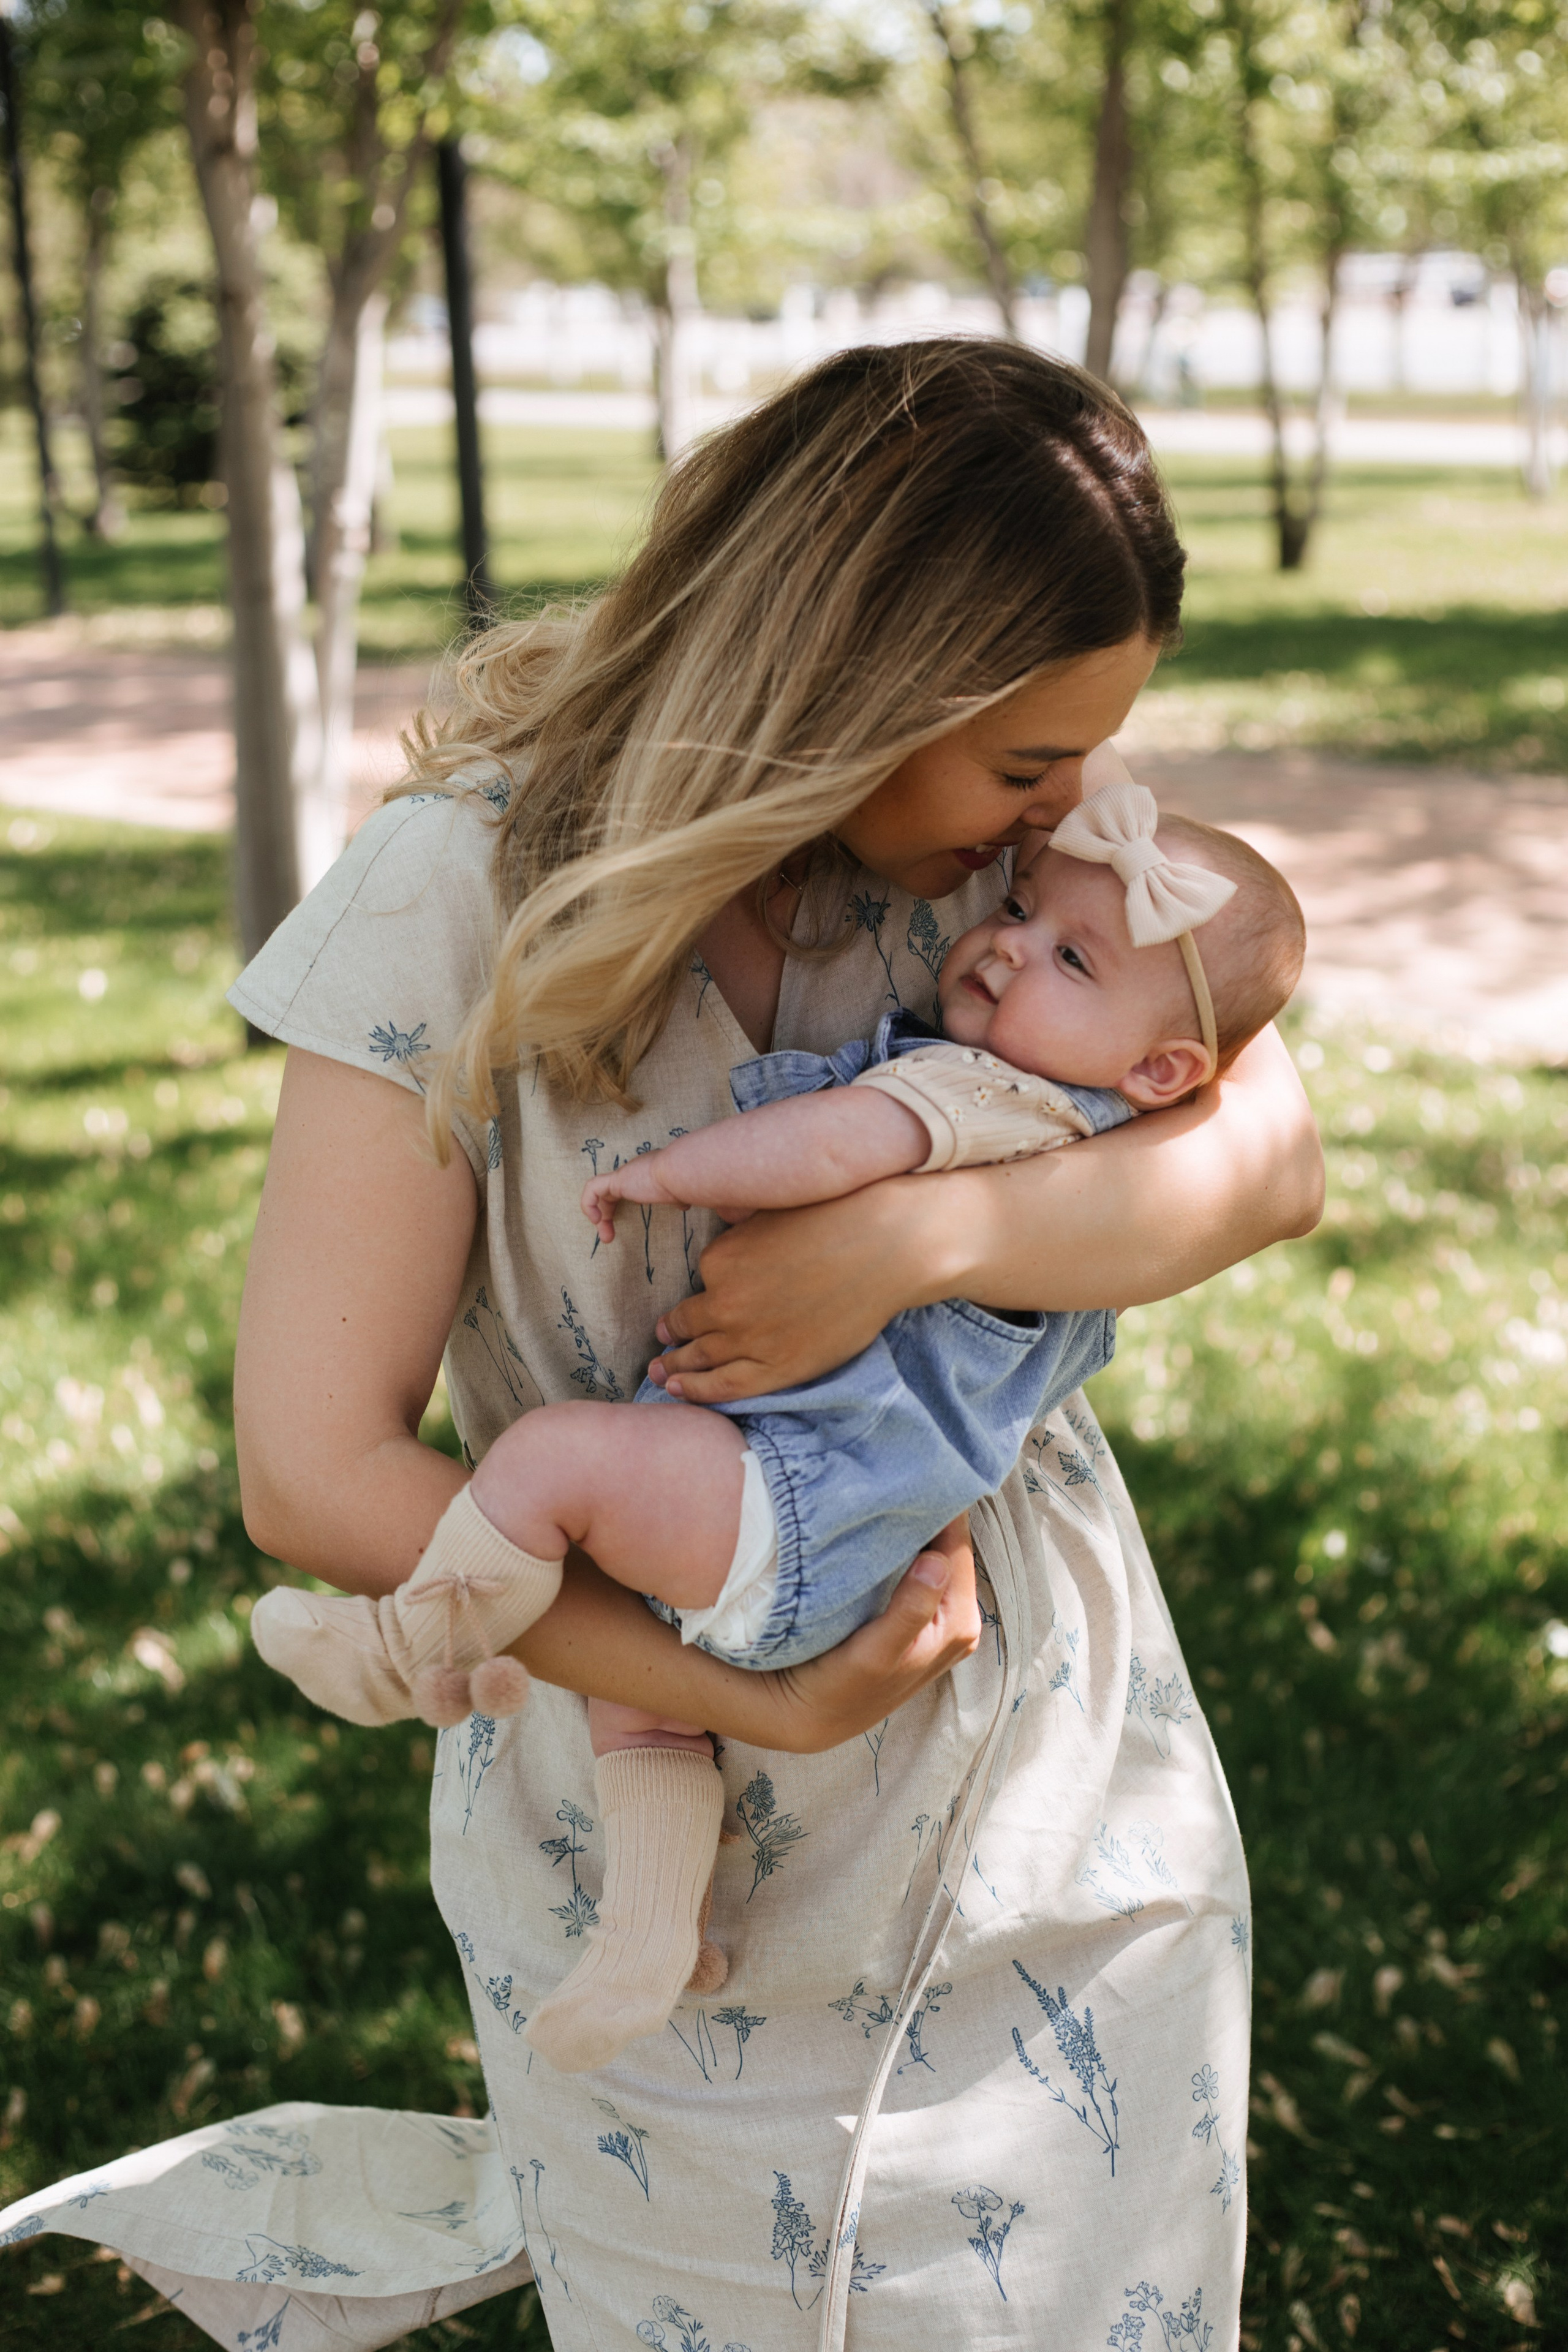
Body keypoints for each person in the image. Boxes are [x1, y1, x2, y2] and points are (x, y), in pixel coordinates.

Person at [0, 340, 1322, 2352]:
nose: (1066, 816)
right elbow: (315, 1467)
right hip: (675, 1888)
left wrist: (913, 1237)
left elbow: (1270, 1155)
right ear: (866, 683)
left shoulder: (996, 889)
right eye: (1030, 763)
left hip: (1066, 1834)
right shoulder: (457, 890)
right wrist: (758, 1704)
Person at [250, 778, 1306, 2084]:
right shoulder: (1084, 1078)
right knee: (638, 1706)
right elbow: (302, 1473)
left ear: (1156, 1067)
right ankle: (651, 1934)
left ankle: (412, 1646)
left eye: (1063, 958)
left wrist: (669, 1176)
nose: (1004, 937)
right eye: (1024, 914)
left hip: (800, 1504)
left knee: (550, 1467)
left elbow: (821, 1145)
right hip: (820, 1525)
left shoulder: (998, 1100)